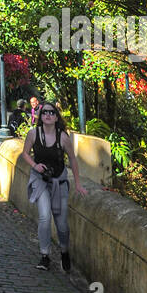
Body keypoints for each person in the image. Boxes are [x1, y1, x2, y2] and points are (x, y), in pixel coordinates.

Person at [21, 102, 87, 271]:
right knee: (44, 216)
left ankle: (64, 251)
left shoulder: (63, 137)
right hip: (41, 180)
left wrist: (78, 184)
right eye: (44, 113)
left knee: (62, 224)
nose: (48, 115)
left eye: (51, 113)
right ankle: (45, 255)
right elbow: (25, 153)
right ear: (40, 116)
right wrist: (35, 166)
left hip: (59, 182)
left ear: (56, 117)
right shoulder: (33, 134)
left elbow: (72, 159)